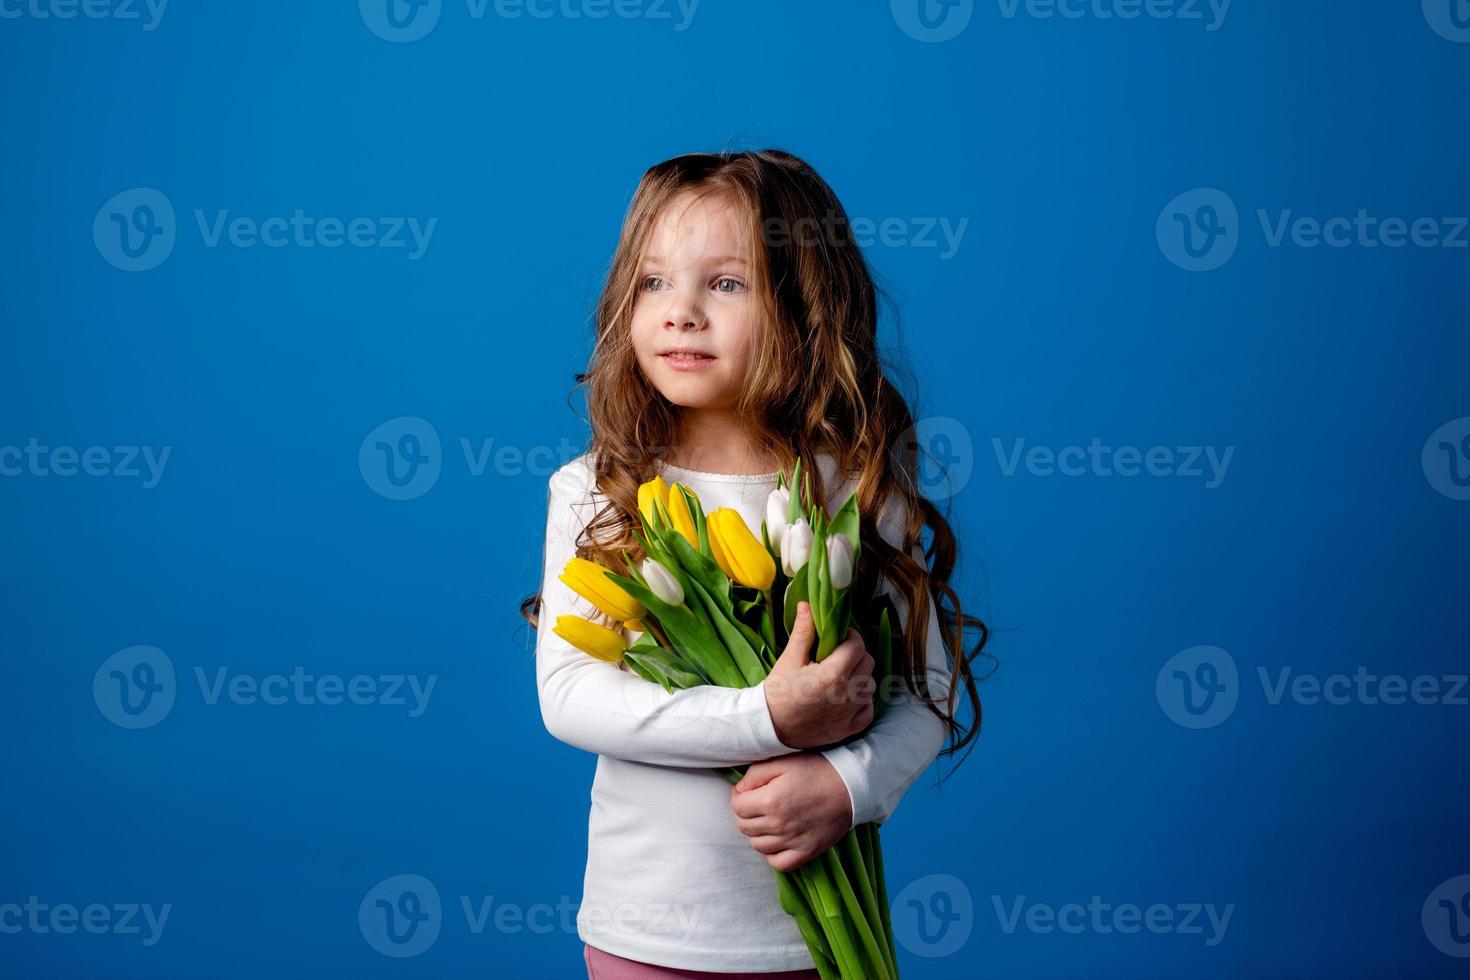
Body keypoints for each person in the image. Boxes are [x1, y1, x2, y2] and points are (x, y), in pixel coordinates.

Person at [521, 149, 988, 978]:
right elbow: (570, 697)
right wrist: (767, 719)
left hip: (809, 942)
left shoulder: (851, 487)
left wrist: (847, 790)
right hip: (646, 931)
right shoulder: (597, 491)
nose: (681, 313)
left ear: (807, 307)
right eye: (653, 282)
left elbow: (928, 689)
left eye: (726, 284)